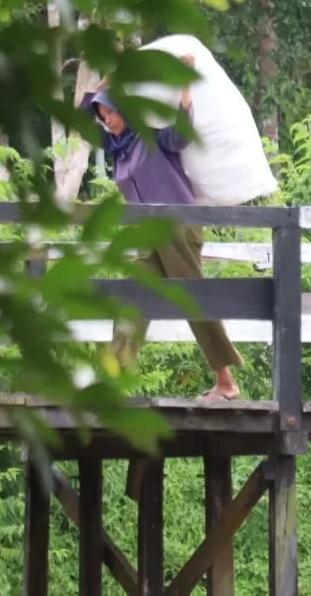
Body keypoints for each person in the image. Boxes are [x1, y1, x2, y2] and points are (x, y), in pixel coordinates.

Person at [81, 54, 245, 401]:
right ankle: (117, 383)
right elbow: (82, 115)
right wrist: (105, 84)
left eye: (110, 112)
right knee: (131, 297)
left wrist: (184, 85)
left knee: (191, 299)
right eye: (103, 115)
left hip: (178, 228)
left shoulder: (153, 137)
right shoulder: (118, 150)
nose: (106, 120)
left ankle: (226, 382)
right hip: (147, 234)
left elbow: (182, 134)